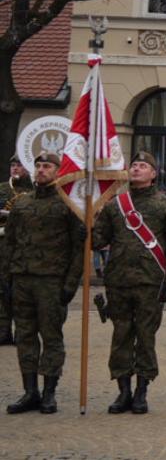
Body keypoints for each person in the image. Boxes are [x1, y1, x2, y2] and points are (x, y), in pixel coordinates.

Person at [91, 151, 166, 414]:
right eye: (134, 165)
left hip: (150, 281)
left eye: (143, 166)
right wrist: (86, 221)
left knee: (145, 336)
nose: (136, 169)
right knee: (121, 336)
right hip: (118, 281)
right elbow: (98, 240)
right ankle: (123, 391)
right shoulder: (115, 205)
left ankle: (141, 391)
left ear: (153, 174)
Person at [5, 152, 86, 414]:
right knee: (25, 336)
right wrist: (7, 278)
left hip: (51, 281)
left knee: (51, 337)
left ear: (58, 171)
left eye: (47, 166)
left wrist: (71, 283)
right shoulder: (22, 204)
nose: (41, 170)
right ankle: (30, 392)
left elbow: (78, 249)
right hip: (22, 278)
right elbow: (10, 243)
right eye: (38, 166)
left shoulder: (68, 205)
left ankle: (49, 393)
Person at [0, 157, 25, 348]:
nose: (15, 168)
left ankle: (21, 333)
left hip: (23, 248)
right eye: (13, 165)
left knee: (21, 293)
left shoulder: (32, 190)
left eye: (19, 165)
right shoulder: (2, 189)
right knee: (2, 291)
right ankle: (3, 331)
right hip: (2, 247)